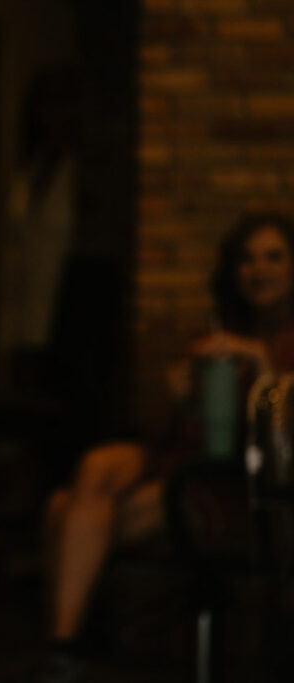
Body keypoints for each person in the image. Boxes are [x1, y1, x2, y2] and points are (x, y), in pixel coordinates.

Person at [41, 213, 294, 680]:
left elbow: (276, 441)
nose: (259, 269)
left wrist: (262, 368)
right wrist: (180, 395)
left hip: (231, 478)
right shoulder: (218, 328)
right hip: (182, 455)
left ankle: (64, 645)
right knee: (95, 465)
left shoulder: (280, 342)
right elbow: (173, 431)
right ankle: (69, 646)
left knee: (63, 511)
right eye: (248, 259)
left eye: (273, 257)